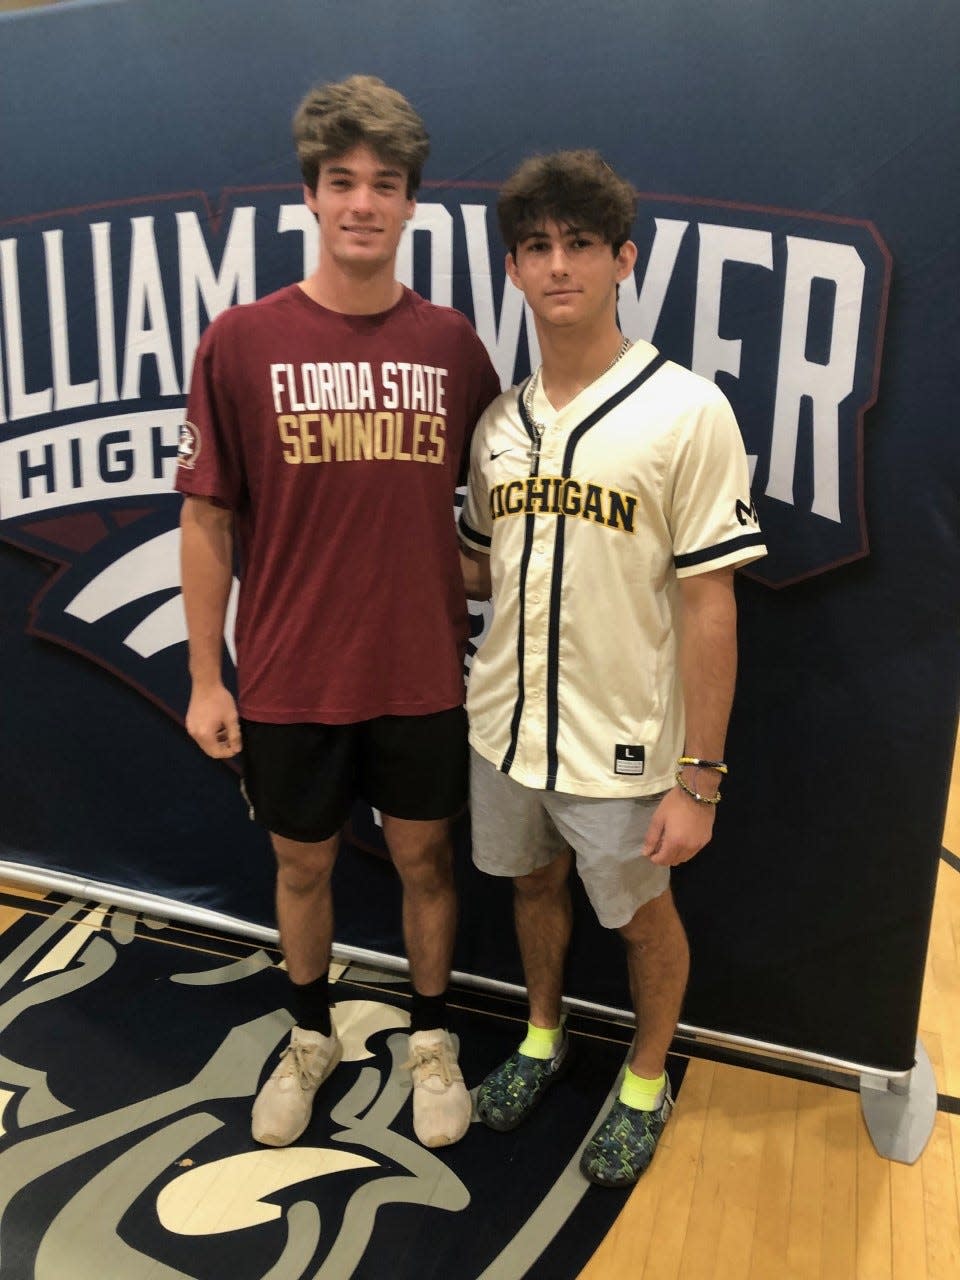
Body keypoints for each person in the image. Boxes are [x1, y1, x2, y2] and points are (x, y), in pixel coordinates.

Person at [176, 75, 501, 1151]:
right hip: (289, 674)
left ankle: (434, 1037)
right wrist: (207, 677)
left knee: (426, 863)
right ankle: (309, 1032)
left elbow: (501, 505)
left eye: (386, 183)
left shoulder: (452, 345)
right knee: (302, 866)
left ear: (414, 203)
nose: (364, 202)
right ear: (310, 196)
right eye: (343, 180)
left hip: (417, 670)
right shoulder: (240, 341)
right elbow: (208, 518)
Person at [458, 150, 766, 1187]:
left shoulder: (686, 409)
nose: (558, 267)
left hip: (624, 741)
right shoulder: (499, 423)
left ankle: (644, 1076)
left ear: (623, 258)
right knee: (532, 886)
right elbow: (473, 562)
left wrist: (701, 774)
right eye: (536, 247)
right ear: (512, 268)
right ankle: (543, 1035)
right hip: (503, 722)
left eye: (580, 244)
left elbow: (709, 601)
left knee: (642, 916)